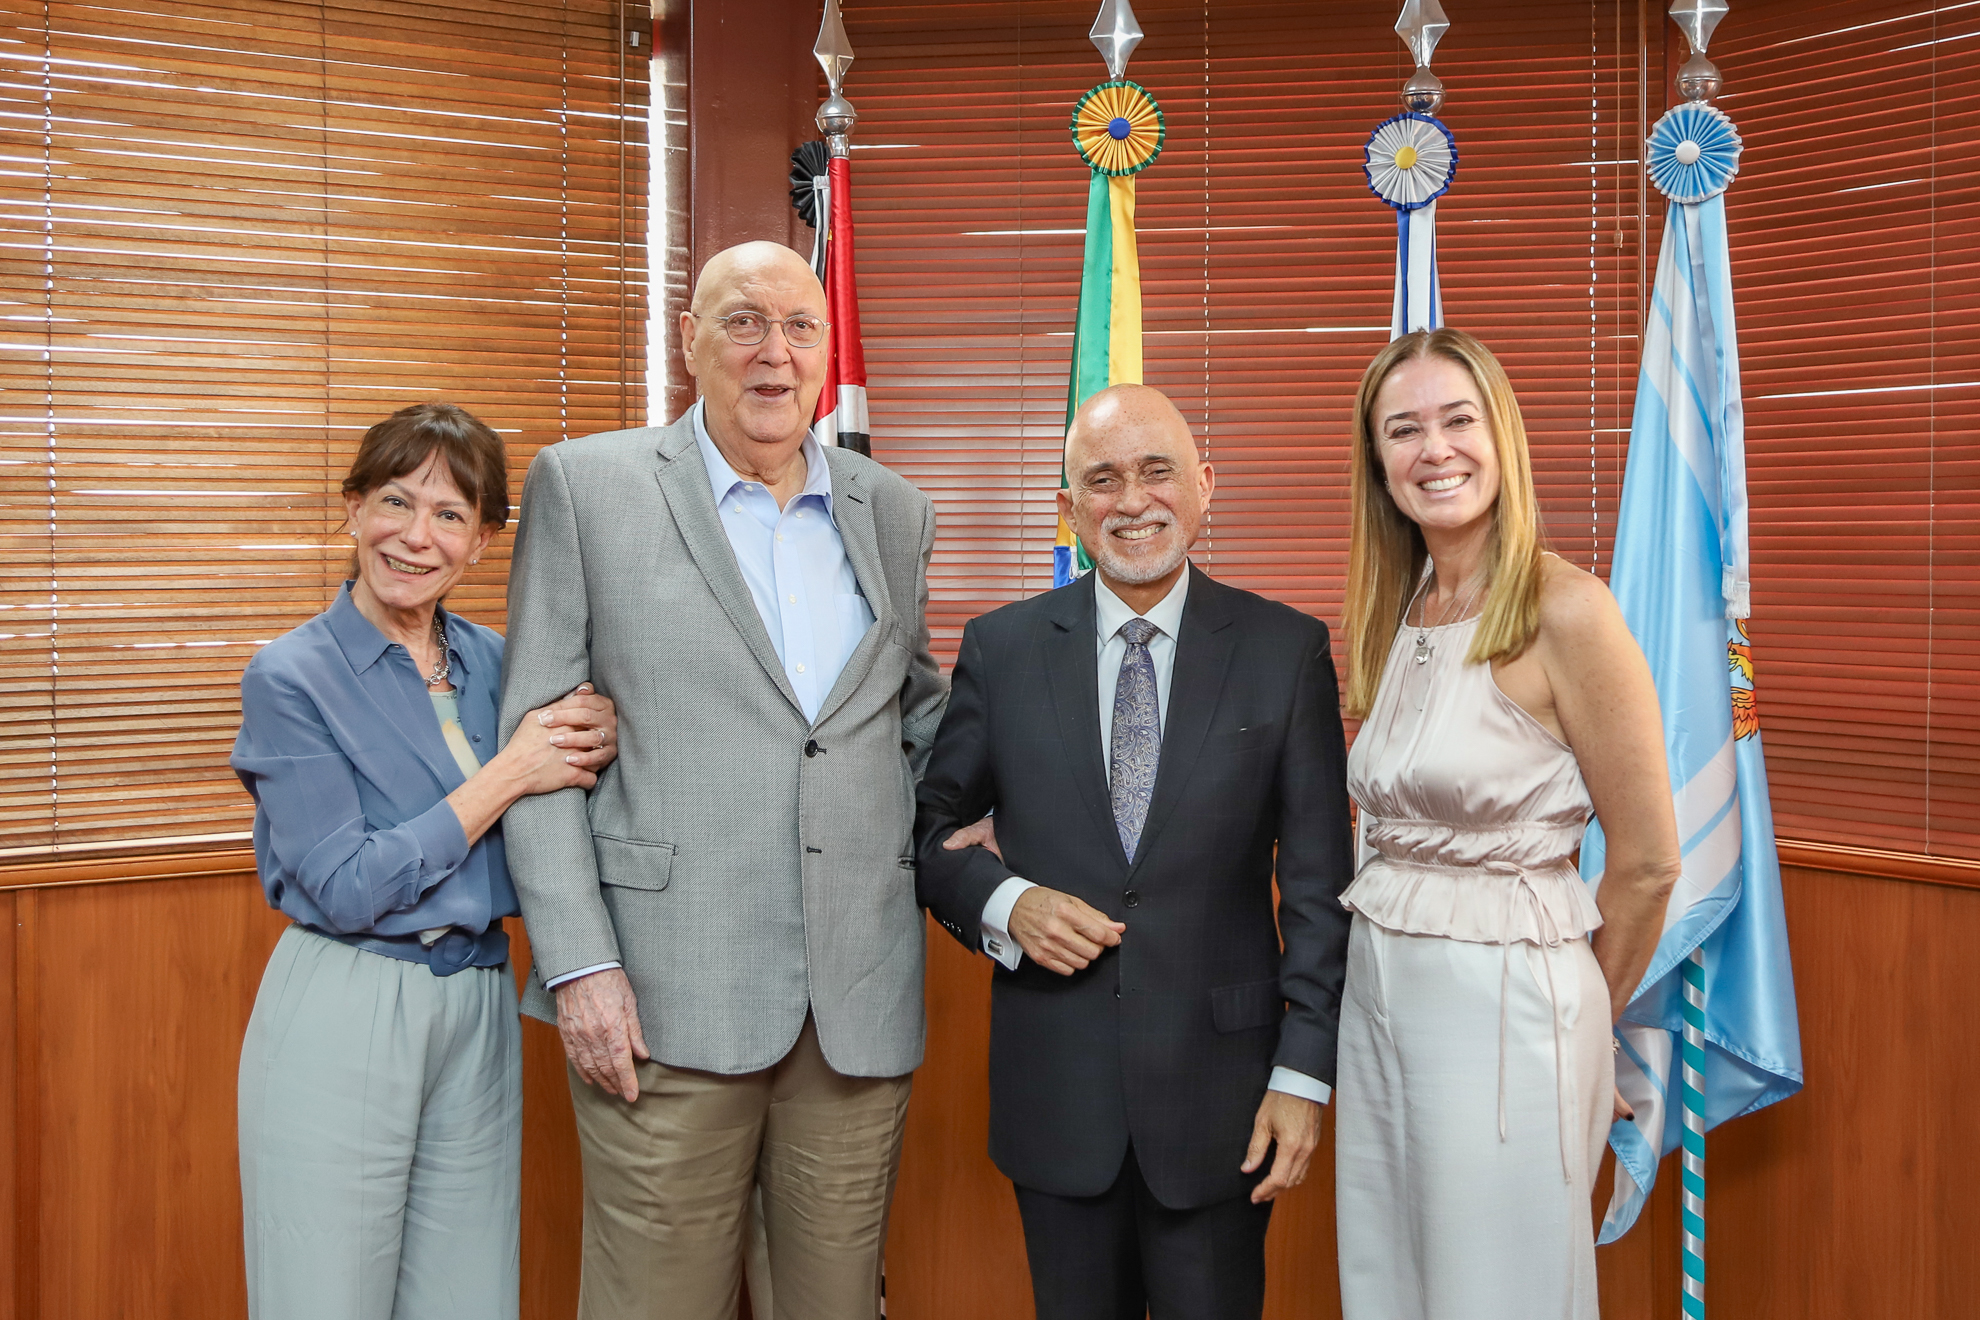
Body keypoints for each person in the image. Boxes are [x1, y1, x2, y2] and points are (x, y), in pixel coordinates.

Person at [497, 240, 947, 1320]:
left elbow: (918, 720)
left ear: (826, 352)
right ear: (689, 342)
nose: (773, 353)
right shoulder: (588, 487)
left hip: (853, 1002)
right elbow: (540, 748)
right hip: (661, 1000)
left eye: (799, 327)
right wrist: (579, 968)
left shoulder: (892, 510)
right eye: (742, 321)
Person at [915, 384, 1356, 1320]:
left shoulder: (1286, 651)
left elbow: (1321, 890)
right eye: (1103, 480)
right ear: (1069, 510)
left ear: (1203, 487)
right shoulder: (1003, 648)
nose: (1134, 500)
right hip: (1058, 1097)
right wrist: (1007, 905)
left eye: (1157, 471)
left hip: (1228, 1105)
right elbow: (932, 835)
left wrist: (1302, 1076)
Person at [232, 402, 619, 1320]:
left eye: (449, 515)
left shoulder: (503, 663)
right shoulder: (289, 676)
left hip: (480, 997)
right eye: (395, 503)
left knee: (468, 1299)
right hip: (346, 1000)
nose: (416, 537)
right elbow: (346, 884)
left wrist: (603, 739)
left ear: (483, 541)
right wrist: (512, 772)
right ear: (354, 509)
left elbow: (558, 834)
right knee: (324, 1300)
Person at [1334, 328, 1681, 1320]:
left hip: (1508, 1019)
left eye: (1457, 420)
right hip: (1383, 1003)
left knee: (1497, 1294)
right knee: (1392, 1281)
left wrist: (1590, 1022)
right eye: (1403, 430)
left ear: (1503, 436)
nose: (1433, 450)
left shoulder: (1569, 611)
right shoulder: (1398, 609)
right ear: (1379, 463)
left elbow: (1651, 861)